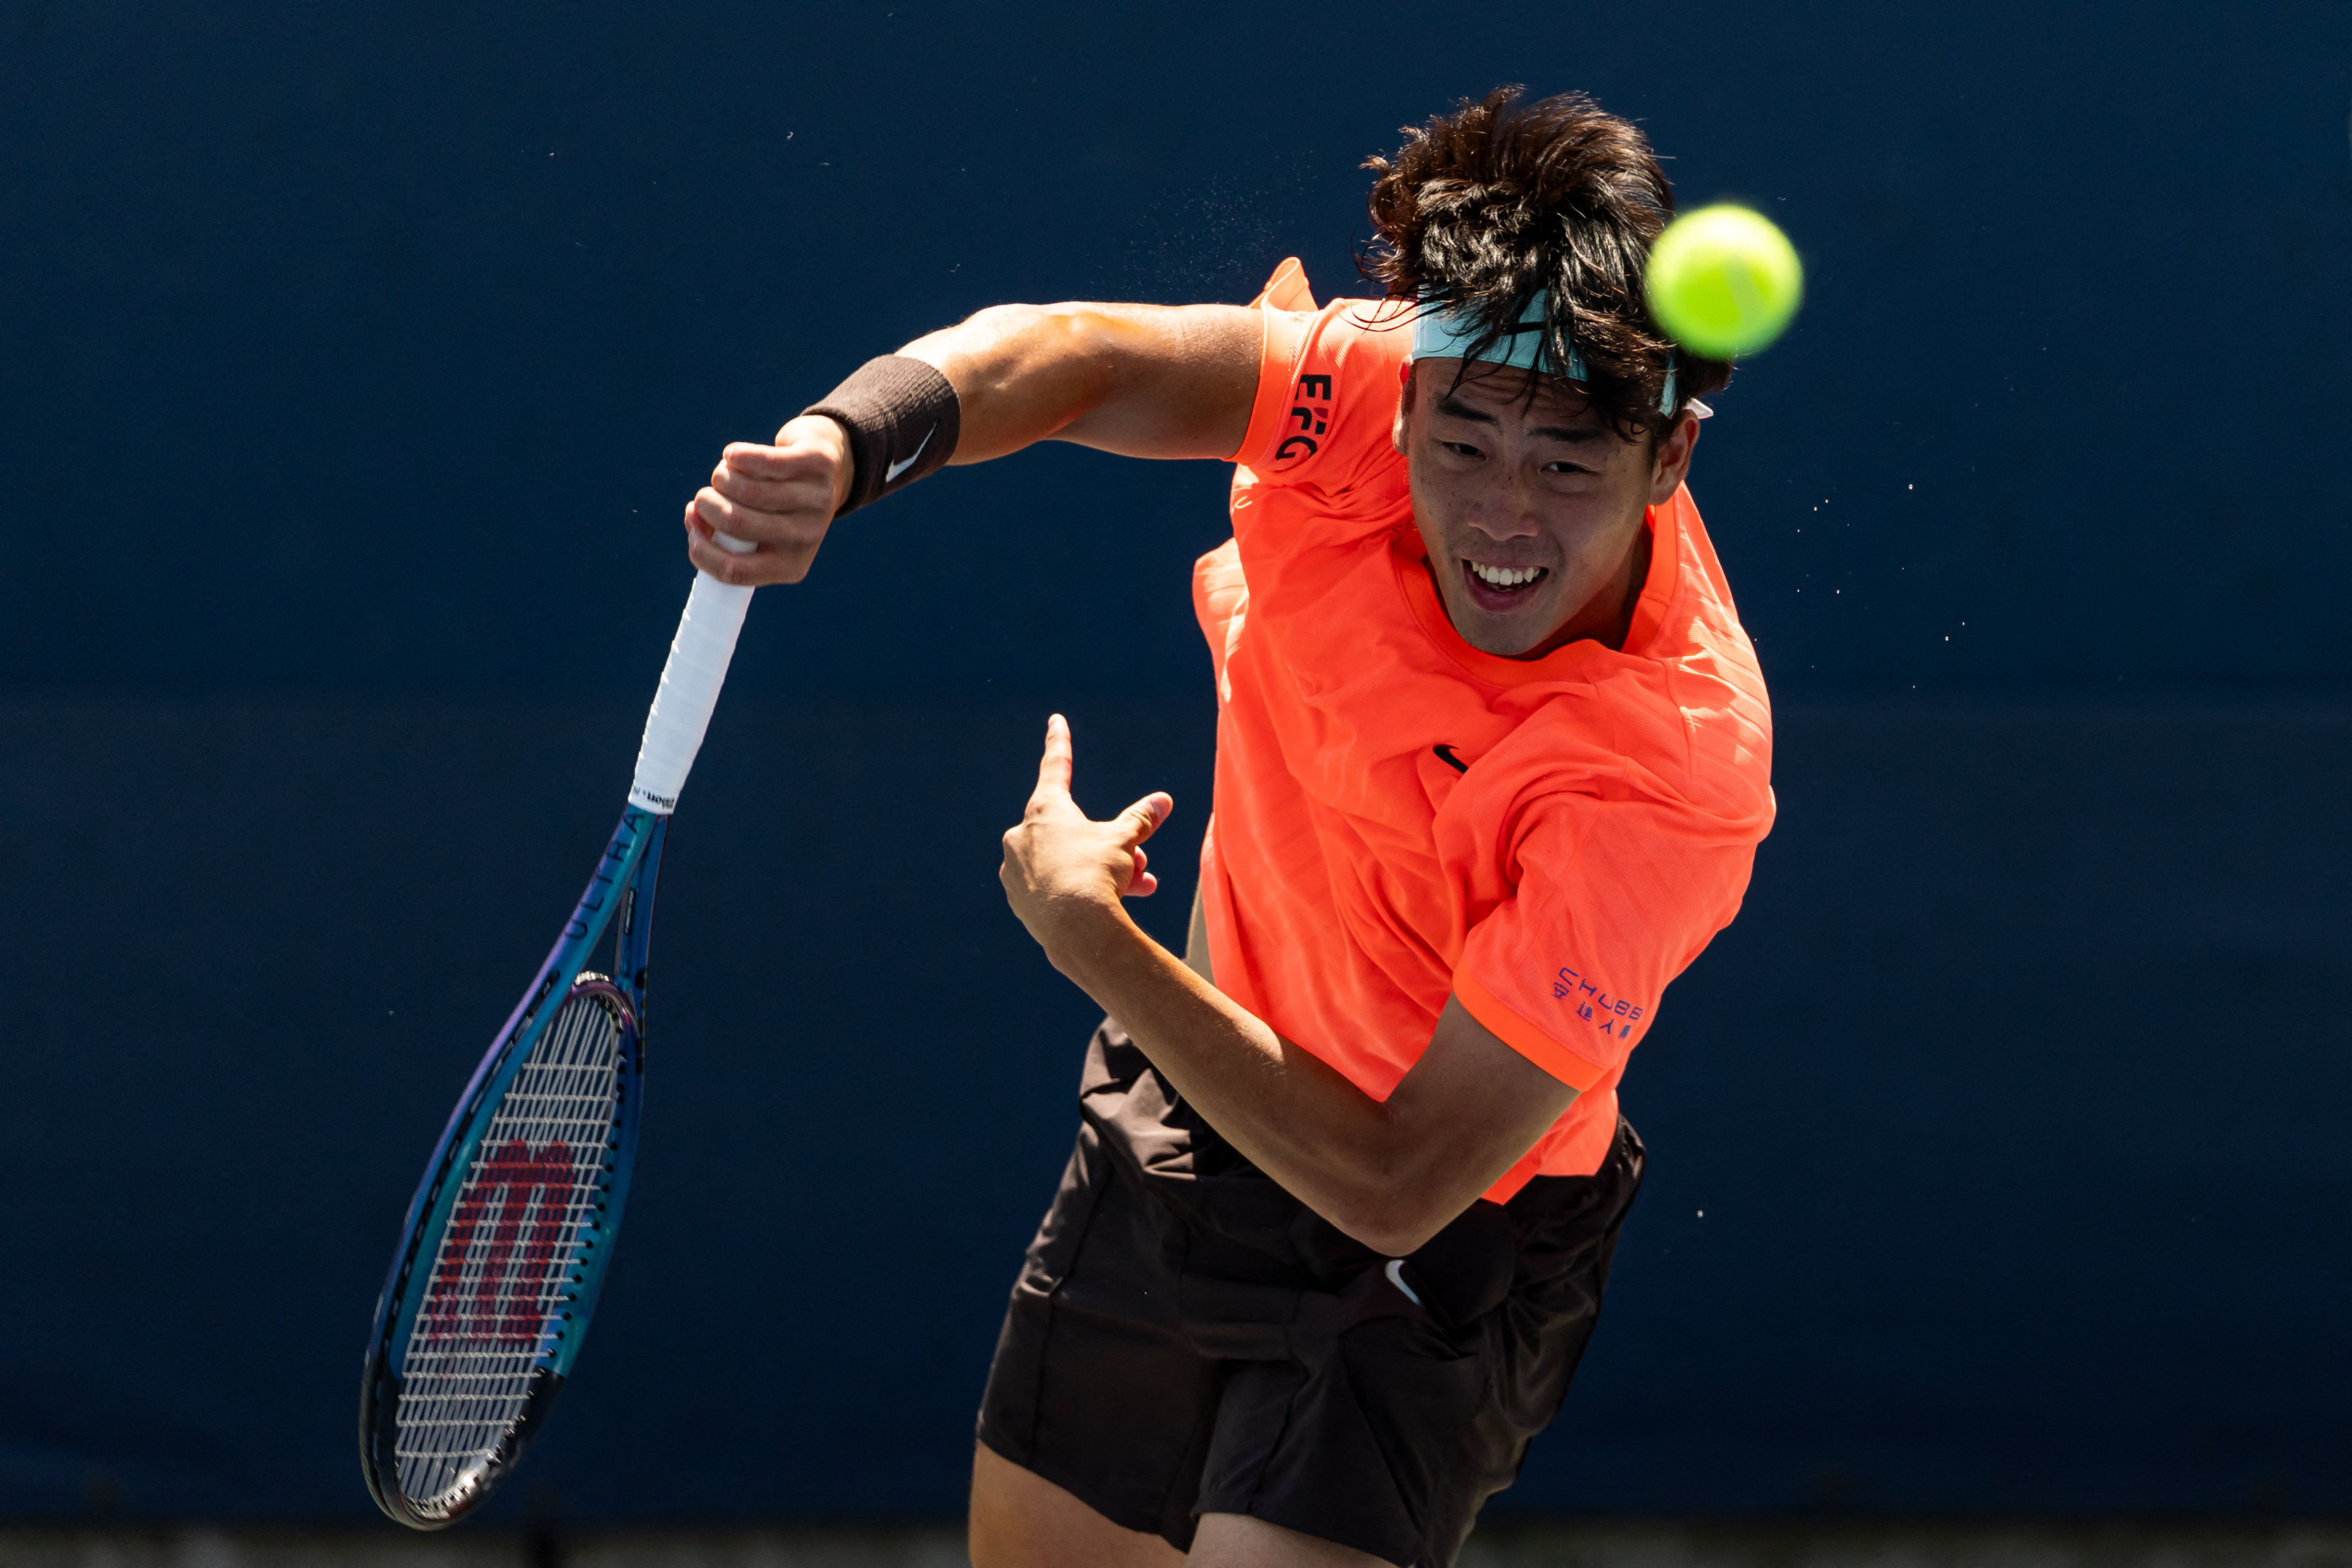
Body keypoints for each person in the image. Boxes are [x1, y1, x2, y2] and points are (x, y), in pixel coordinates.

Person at [683, 87, 1774, 1568]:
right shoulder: (1372, 392)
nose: (1503, 512)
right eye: (1466, 442)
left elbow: (1399, 1178)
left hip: (1439, 1240)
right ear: (1413, 403)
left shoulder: (1664, 772)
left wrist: (1094, 944)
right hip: (1192, 1124)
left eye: (1568, 465)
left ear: (1669, 460)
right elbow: (1072, 355)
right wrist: (846, 447)